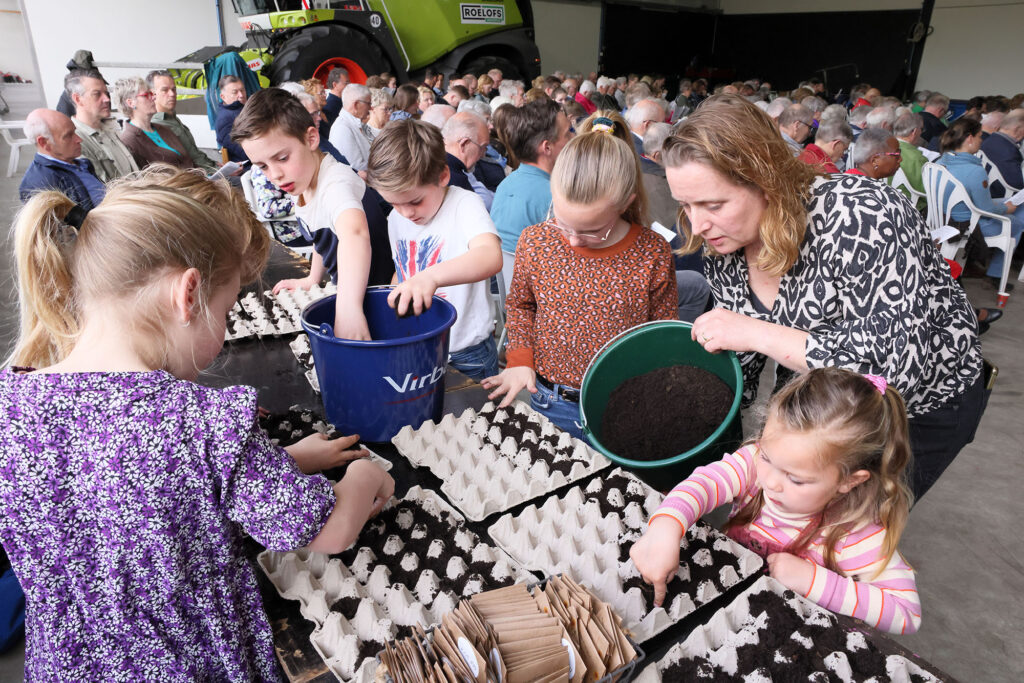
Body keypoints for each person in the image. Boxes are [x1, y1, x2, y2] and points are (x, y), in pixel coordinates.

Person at [1, 168, 394, 680]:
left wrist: (286, 462)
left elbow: (134, 500)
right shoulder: (202, 422)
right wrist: (364, 479)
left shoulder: (11, 399)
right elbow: (332, 530)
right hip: (195, 661)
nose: (226, 326)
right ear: (187, 296)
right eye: (226, 308)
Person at [663, 94, 984, 501]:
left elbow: (891, 372)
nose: (698, 224)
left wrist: (758, 333)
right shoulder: (725, 242)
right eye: (686, 205)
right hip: (819, 401)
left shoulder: (862, 214)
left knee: (854, 528)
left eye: (713, 204)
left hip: (918, 408)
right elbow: (740, 360)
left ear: (767, 179)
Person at [630, 368, 919, 635]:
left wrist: (813, 581)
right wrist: (666, 528)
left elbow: (906, 614)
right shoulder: (756, 464)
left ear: (849, 481)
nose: (770, 482)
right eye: (767, 456)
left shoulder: (856, 534)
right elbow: (704, 483)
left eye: (796, 479)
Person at [481, 127, 677, 438]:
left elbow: (662, 331)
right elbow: (521, 304)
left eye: (591, 230)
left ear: (626, 203)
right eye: (562, 223)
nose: (573, 240)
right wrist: (519, 358)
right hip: (551, 400)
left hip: (623, 403)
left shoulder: (651, 252)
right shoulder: (536, 241)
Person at [234, 88, 382, 340]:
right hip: (349, 293)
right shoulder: (302, 179)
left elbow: (354, 234)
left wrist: (348, 309)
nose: (275, 174)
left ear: (311, 138)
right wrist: (314, 278)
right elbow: (322, 234)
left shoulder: (336, 183)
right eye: (262, 167)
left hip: (374, 301)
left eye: (281, 158)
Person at [365, 119, 504, 381]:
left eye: (415, 201)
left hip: (466, 352)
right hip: (419, 345)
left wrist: (431, 276)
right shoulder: (397, 219)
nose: (406, 212)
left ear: (442, 176)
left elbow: (490, 255)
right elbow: (405, 270)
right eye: (394, 203)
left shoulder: (465, 204)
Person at [937, 117, 1024, 292]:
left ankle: (992, 272)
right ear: (969, 138)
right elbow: (986, 210)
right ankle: (996, 274)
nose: (982, 140)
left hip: (942, 217)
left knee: (1009, 207)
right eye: (979, 136)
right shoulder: (975, 171)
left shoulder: (939, 162)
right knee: (1017, 220)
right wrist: (1007, 208)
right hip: (969, 225)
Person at [491, 98, 573, 260]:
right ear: (547, 147)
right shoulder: (556, 197)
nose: (573, 137)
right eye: (567, 133)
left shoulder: (505, 185)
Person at [19, 109, 105, 212]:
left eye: (75, 132)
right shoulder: (39, 184)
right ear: (44, 142)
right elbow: (63, 226)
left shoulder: (82, 164)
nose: (79, 139)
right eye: (68, 136)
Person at [67, 70, 139, 182]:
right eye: (97, 94)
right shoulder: (75, 140)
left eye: (106, 93)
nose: (107, 99)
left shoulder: (110, 130)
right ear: (78, 99)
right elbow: (99, 190)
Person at [115, 77, 196, 171]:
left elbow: (188, 160)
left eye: (152, 94)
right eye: (146, 95)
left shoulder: (163, 128)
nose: (154, 97)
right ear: (131, 103)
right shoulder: (129, 141)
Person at [147, 70, 218, 173]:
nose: (172, 94)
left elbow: (194, 154)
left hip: (211, 171)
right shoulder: (157, 126)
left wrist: (216, 165)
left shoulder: (173, 118)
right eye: (165, 90)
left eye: (174, 89)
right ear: (152, 94)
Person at [328, 83, 374, 171]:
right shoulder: (342, 129)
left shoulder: (355, 123)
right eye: (368, 103)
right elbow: (356, 167)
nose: (371, 108)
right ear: (356, 105)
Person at [980, 108, 1024, 197]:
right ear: (1017, 129)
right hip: (1005, 200)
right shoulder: (1006, 150)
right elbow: (1018, 183)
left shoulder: (992, 141)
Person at [891, 112, 928, 212]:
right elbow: (926, 192)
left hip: (889, 201)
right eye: (921, 129)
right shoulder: (917, 158)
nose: (921, 132)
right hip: (913, 207)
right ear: (914, 131)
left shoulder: (883, 148)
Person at [215, 75, 249, 163]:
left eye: (242, 90)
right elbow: (243, 152)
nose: (241, 95)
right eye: (235, 92)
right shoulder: (224, 120)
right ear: (223, 97)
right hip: (247, 166)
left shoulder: (248, 107)